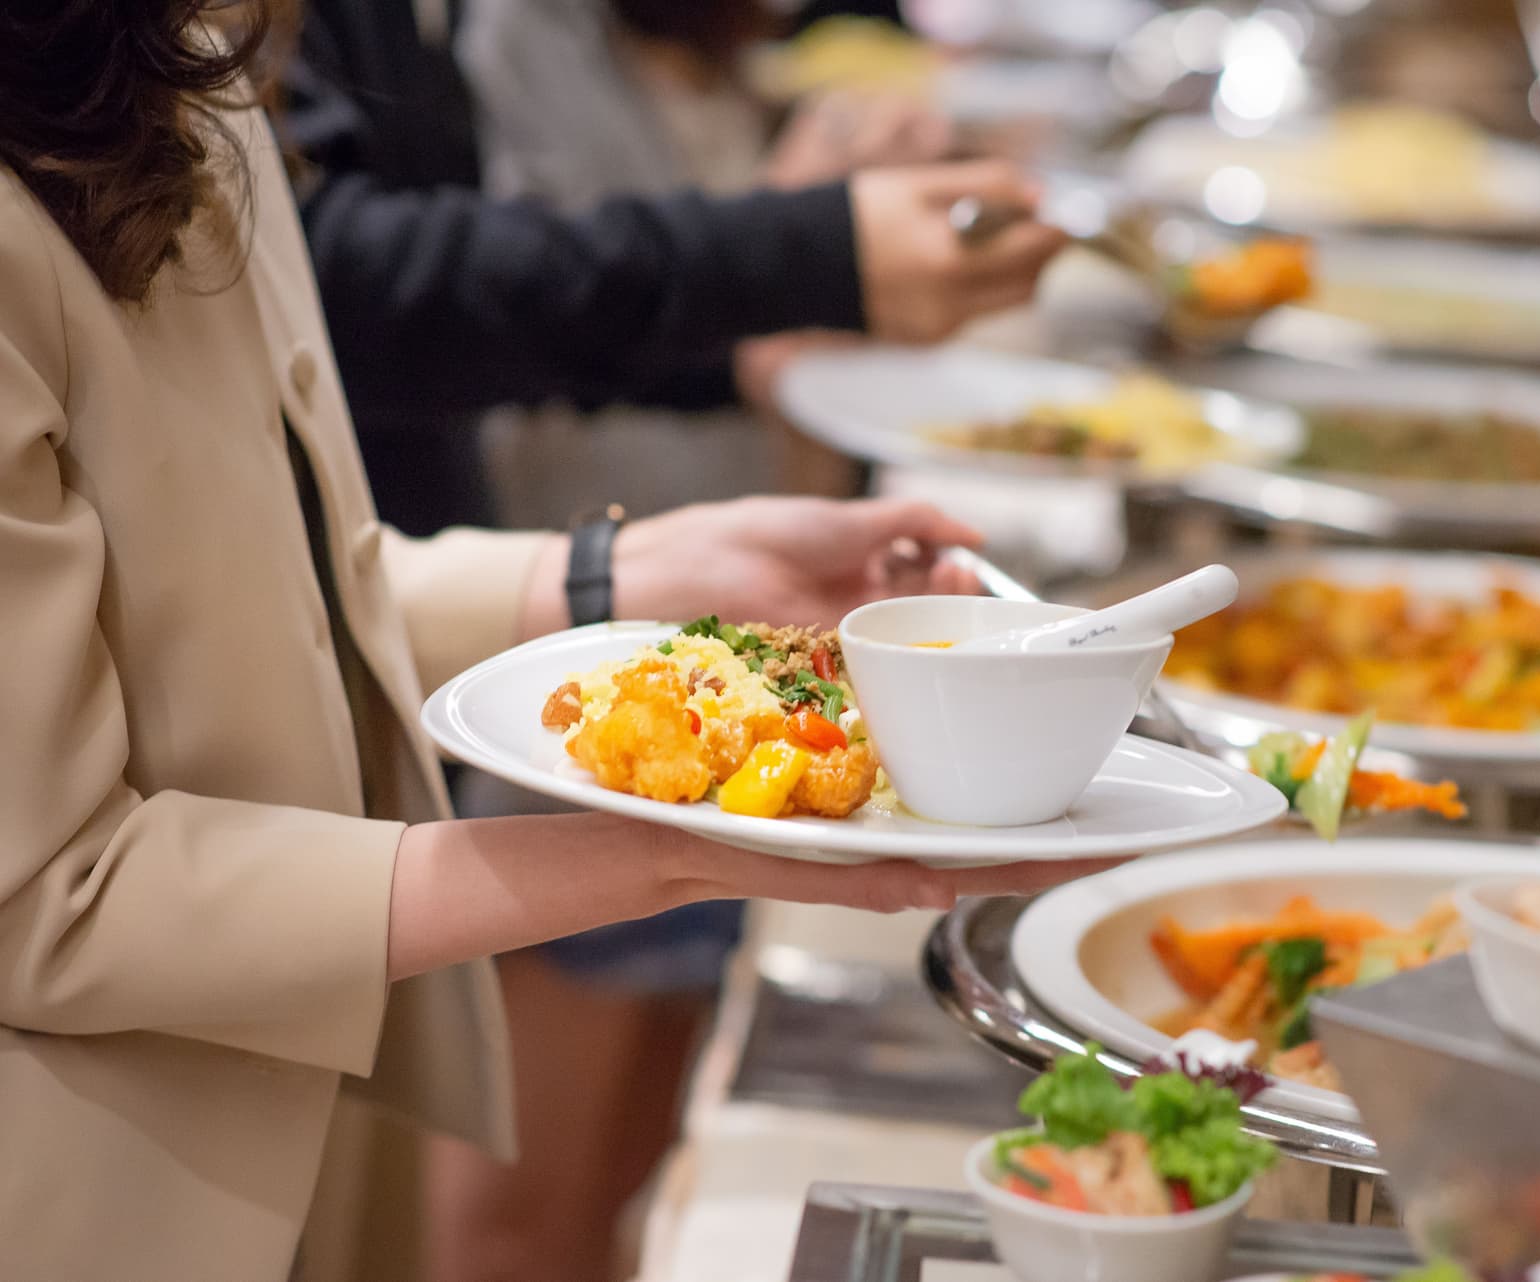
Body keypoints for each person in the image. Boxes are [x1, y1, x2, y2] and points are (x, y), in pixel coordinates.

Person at [0, 6, 1114, 1281]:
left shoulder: (200, 78)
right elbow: (49, 900)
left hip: (293, 1090)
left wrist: (614, 575)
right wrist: (656, 854)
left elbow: (253, 594)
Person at [435, 5, 960, 1279]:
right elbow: (517, 337)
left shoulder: (739, 65)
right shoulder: (516, 55)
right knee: (521, 1194)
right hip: (580, 676)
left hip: (743, 683)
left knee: (648, 1153)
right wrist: (787, 241)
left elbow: (789, 399)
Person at [277, 0, 1064, 535]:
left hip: (498, 547)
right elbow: (348, 291)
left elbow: (539, 300)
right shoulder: (519, 34)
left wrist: (771, 317)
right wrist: (797, 250)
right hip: (427, 552)